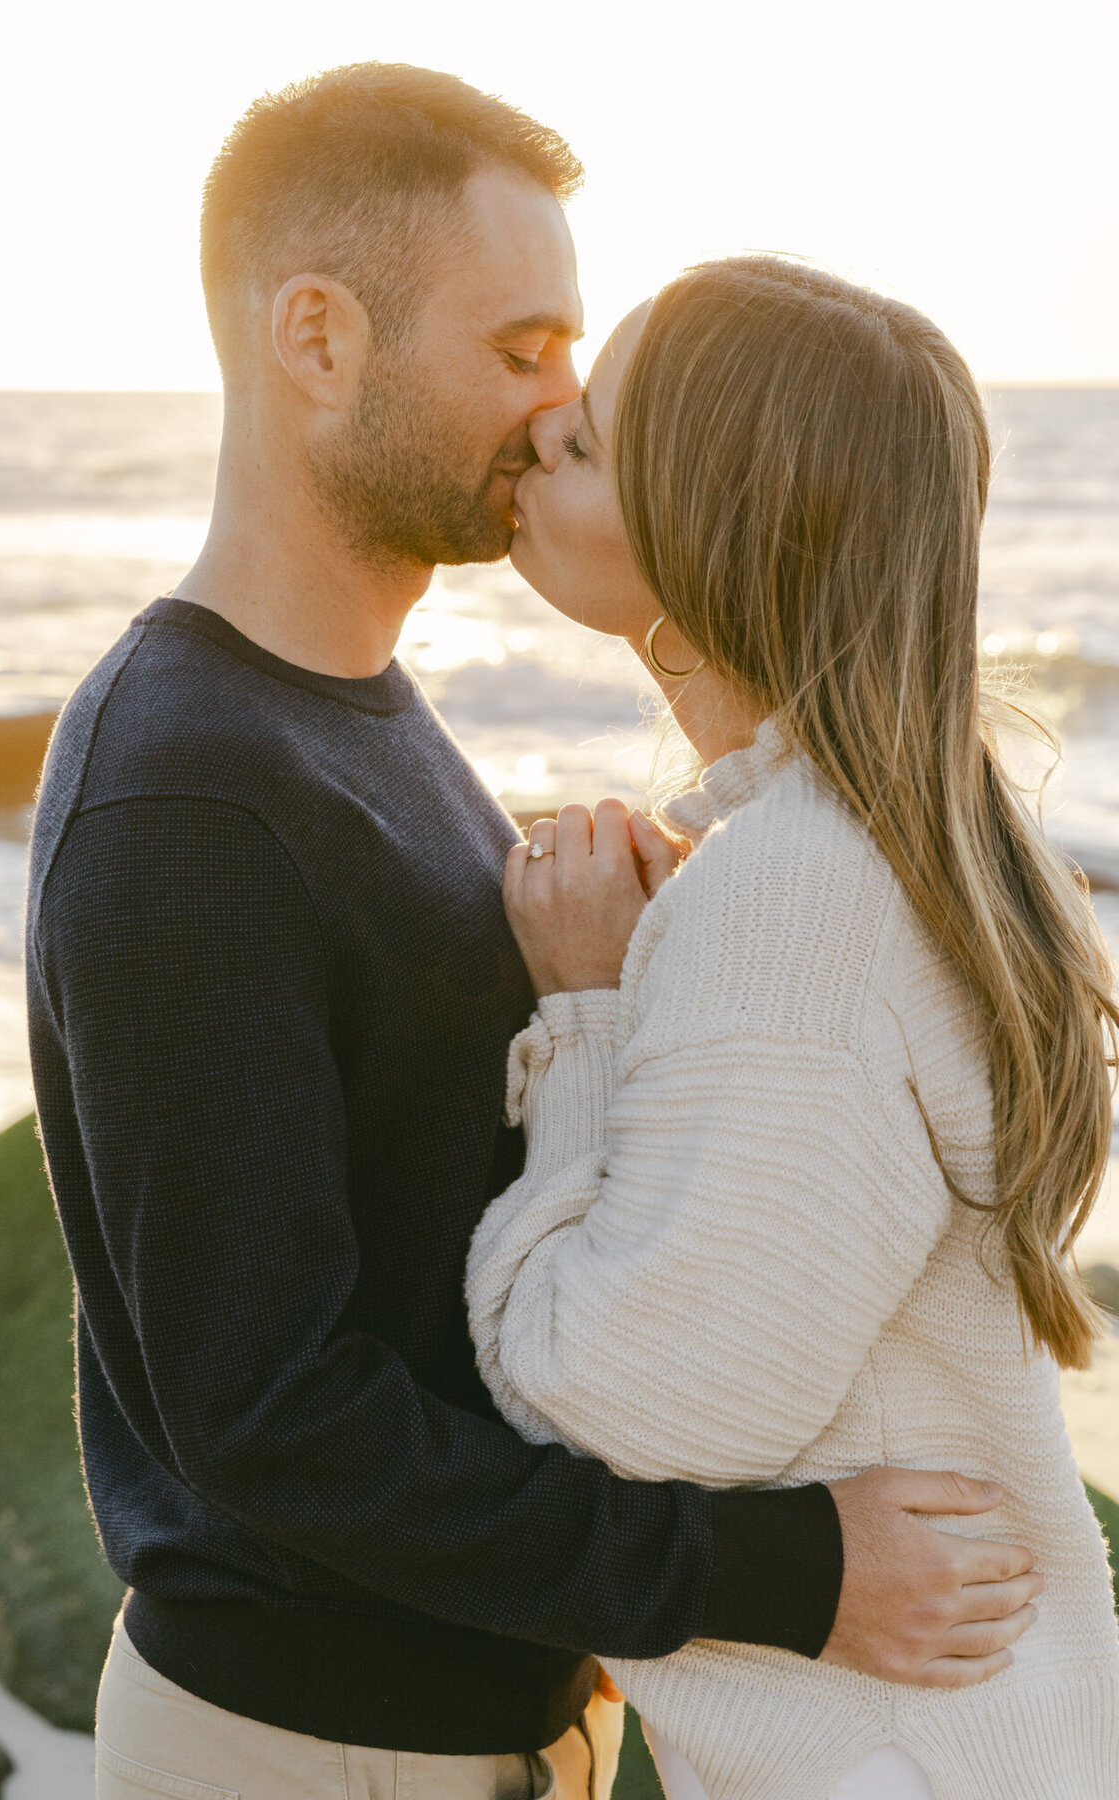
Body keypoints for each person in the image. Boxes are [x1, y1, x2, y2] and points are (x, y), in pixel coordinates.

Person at [26, 70, 1040, 1800]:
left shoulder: (357, 716)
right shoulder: (187, 792)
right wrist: (792, 1578)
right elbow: (267, 1414)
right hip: (308, 1745)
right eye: (520, 350)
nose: (563, 405)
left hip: (484, 1727)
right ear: (318, 338)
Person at [465, 258, 1119, 1799]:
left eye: (593, 437)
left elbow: (608, 1403)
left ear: (712, 516)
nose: (540, 427)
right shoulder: (884, 843)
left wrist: (585, 1014)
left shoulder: (793, 897)